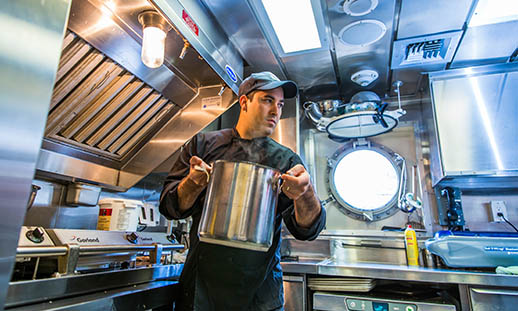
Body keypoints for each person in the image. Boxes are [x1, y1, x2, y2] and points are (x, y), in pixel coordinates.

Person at [159, 71, 325, 311]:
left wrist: (305, 192)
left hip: (259, 295)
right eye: (268, 100)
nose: (276, 111)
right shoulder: (202, 146)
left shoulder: (287, 160)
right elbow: (170, 208)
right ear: (244, 102)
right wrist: (194, 183)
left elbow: (307, 230)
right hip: (201, 293)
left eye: (279, 104)